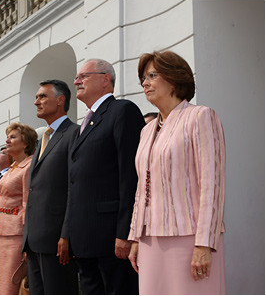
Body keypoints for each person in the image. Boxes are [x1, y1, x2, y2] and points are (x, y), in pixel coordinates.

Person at [127, 50, 226, 294]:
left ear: (173, 78)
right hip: (150, 239)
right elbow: (142, 188)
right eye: (143, 78)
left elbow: (212, 185)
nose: (145, 83)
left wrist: (204, 243)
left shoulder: (200, 116)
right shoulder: (146, 131)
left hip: (190, 239)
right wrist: (135, 237)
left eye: (152, 75)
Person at [67, 58, 144, 294]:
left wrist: (125, 233)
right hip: (84, 238)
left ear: (105, 79)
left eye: (83, 76)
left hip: (111, 237)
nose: (76, 81)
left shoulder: (122, 111)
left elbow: (130, 176)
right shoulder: (83, 125)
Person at [22, 79, 80, 294]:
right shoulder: (43, 138)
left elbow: (72, 187)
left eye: (42, 96)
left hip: (56, 240)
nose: (36, 101)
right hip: (34, 240)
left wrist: (66, 234)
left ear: (60, 100)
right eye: (36, 97)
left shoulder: (74, 133)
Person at [0, 122, 38, 295]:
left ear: (25, 142)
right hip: (1, 231)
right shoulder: (12, 168)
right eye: (8, 137)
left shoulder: (29, 166)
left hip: (16, 235)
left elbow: (27, 204)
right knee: (2, 282)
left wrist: (27, 242)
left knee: (13, 282)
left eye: (13, 137)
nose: (7, 140)